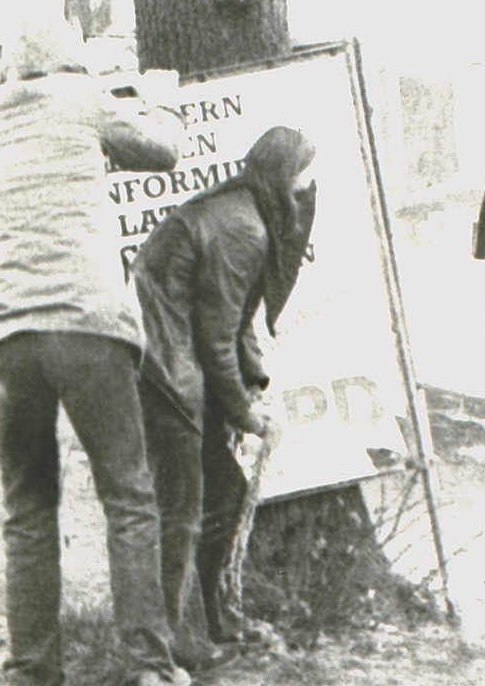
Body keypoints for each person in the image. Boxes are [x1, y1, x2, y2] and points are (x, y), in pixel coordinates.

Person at [0, 19, 190, 686]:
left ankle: (31, 668)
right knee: (128, 493)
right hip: (89, 325)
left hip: (8, 330)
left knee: (28, 507)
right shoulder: (85, 101)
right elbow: (166, 150)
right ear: (70, 65)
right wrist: (161, 97)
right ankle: (149, 663)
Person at [133, 126, 317, 662]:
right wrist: (246, 413)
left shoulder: (243, 212)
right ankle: (174, 641)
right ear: (282, 178)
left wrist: (253, 388)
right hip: (165, 365)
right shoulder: (245, 229)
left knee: (221, 492)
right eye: (303, 177)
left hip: (172, 353)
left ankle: (212, 617)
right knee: (187, 505)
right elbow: (217, 339)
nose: (308, 190)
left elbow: (234, 324)